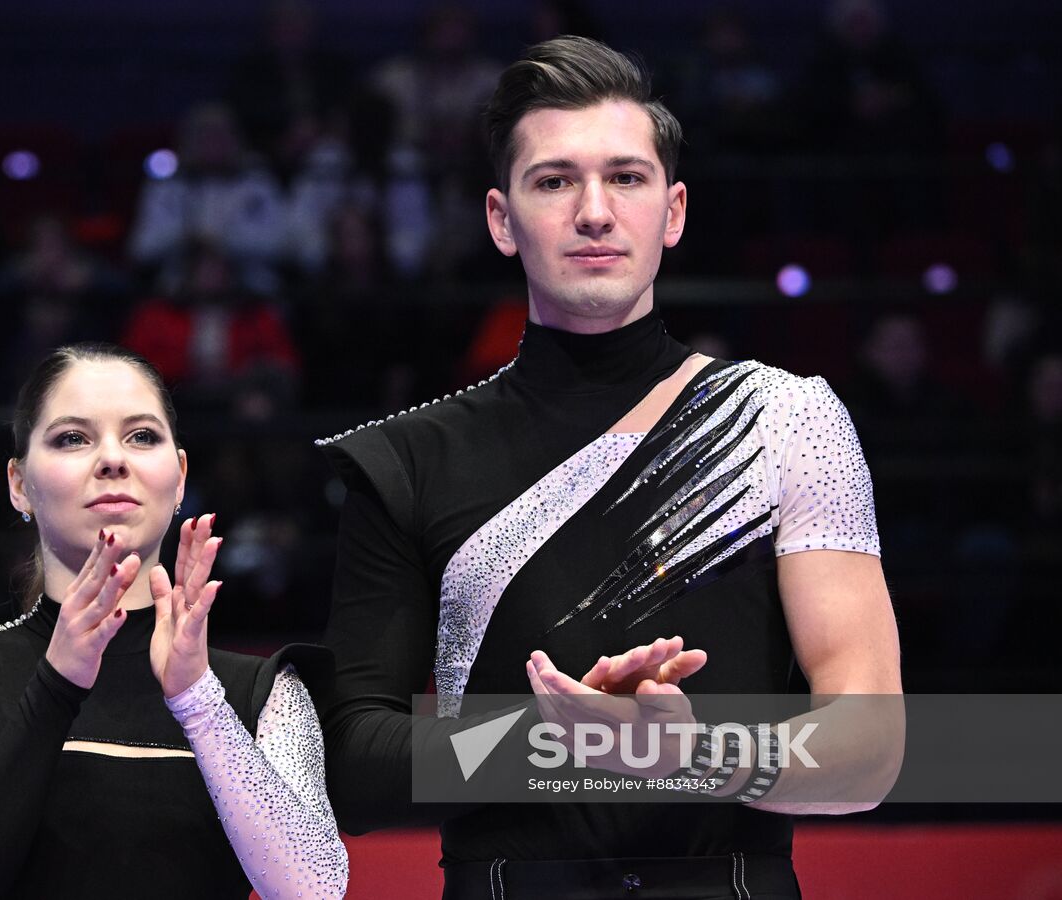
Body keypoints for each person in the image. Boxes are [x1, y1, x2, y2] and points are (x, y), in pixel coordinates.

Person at [317, 36, 901, 898]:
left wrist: (692, 755)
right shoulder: (406, 456)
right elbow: (357, 769)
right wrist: (562, 740)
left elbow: (868, 750)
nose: (594, 211)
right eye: (554, 182)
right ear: (500, 219)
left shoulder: (787, 419)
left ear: (672, 212)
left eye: (626, 178)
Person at [0, 342, 347, 899]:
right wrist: (57, 683)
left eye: (142, 435)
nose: (113, 458)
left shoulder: (264, 691)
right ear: (19, 483)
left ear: (181, 475)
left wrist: (198, 701)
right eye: (72, 438)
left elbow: (315, 888)